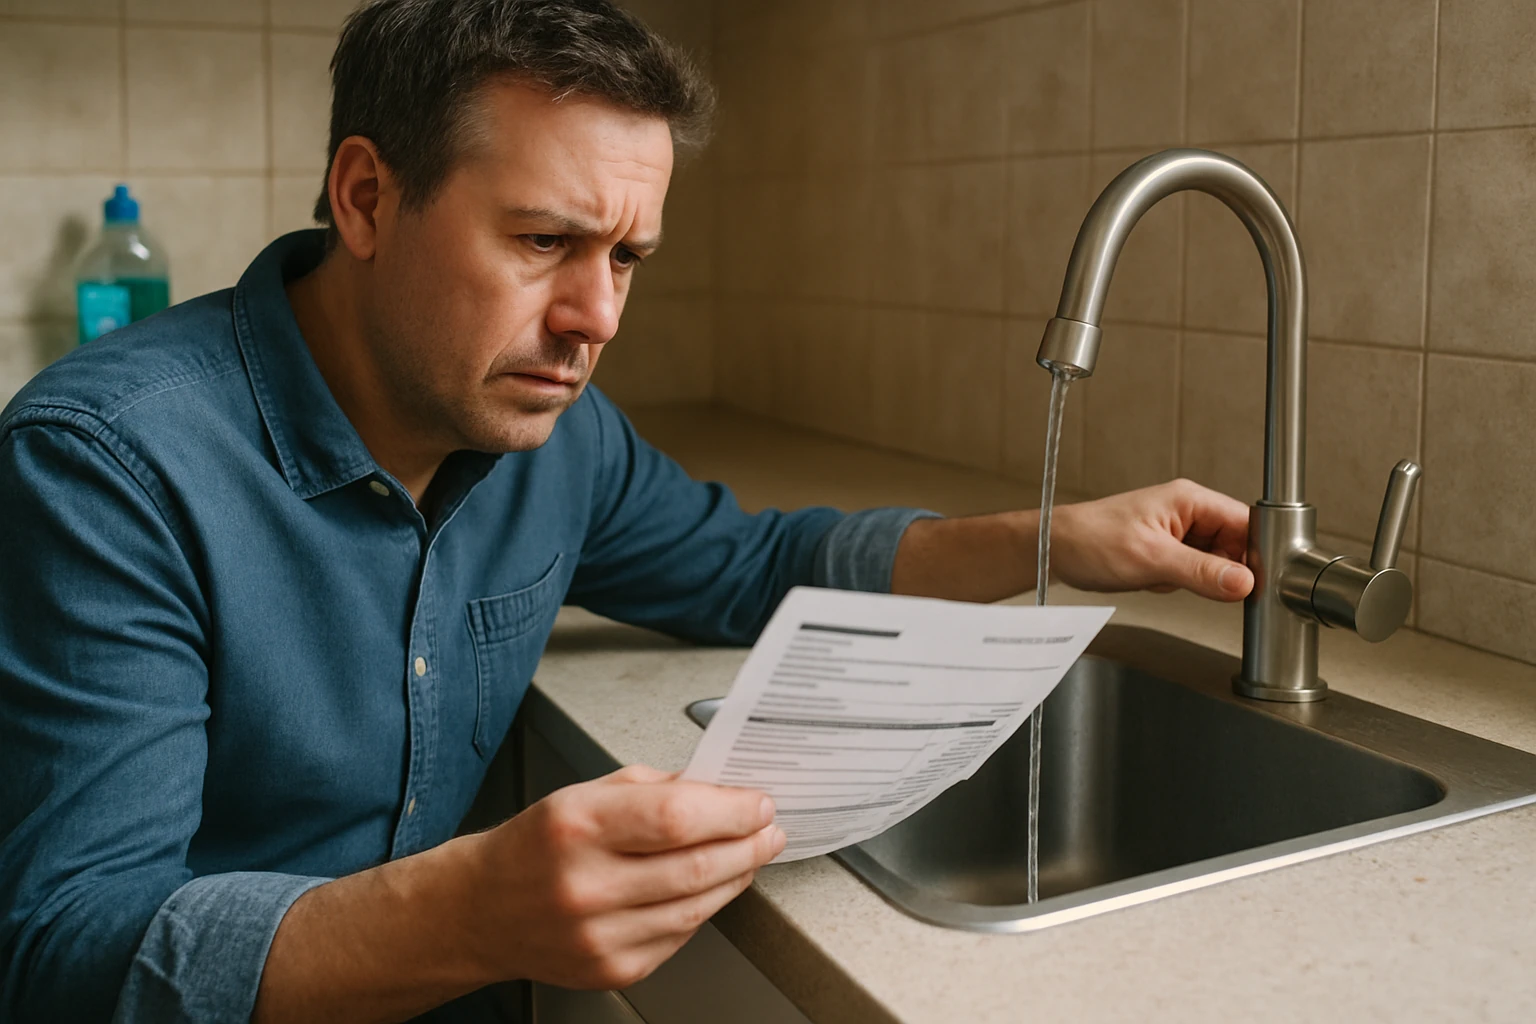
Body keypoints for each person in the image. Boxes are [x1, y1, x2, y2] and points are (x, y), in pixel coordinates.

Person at [0, 1, 1254, 1021]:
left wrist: (1057, 541)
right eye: (545, 241)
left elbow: (754, 565)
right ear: (367, 198)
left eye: (627, 258)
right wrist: (471, 913)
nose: (597, 317)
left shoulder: (556, 431)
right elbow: (64, 956)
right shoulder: (107, 466)